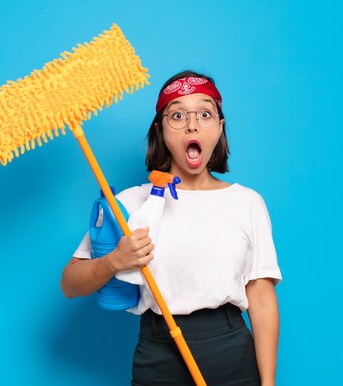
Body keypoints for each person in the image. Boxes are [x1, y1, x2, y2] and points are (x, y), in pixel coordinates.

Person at [61, 70, 282, 386]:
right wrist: (114, 262)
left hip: (231, 353)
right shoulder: (129, 204)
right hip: (158, 353)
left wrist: (269, 384)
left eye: (205, 113)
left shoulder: (246, 202)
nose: (192, 124)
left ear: (219, 127)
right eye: (177, 115)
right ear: (160, 130)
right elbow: (70, 284)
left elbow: (261, 298)